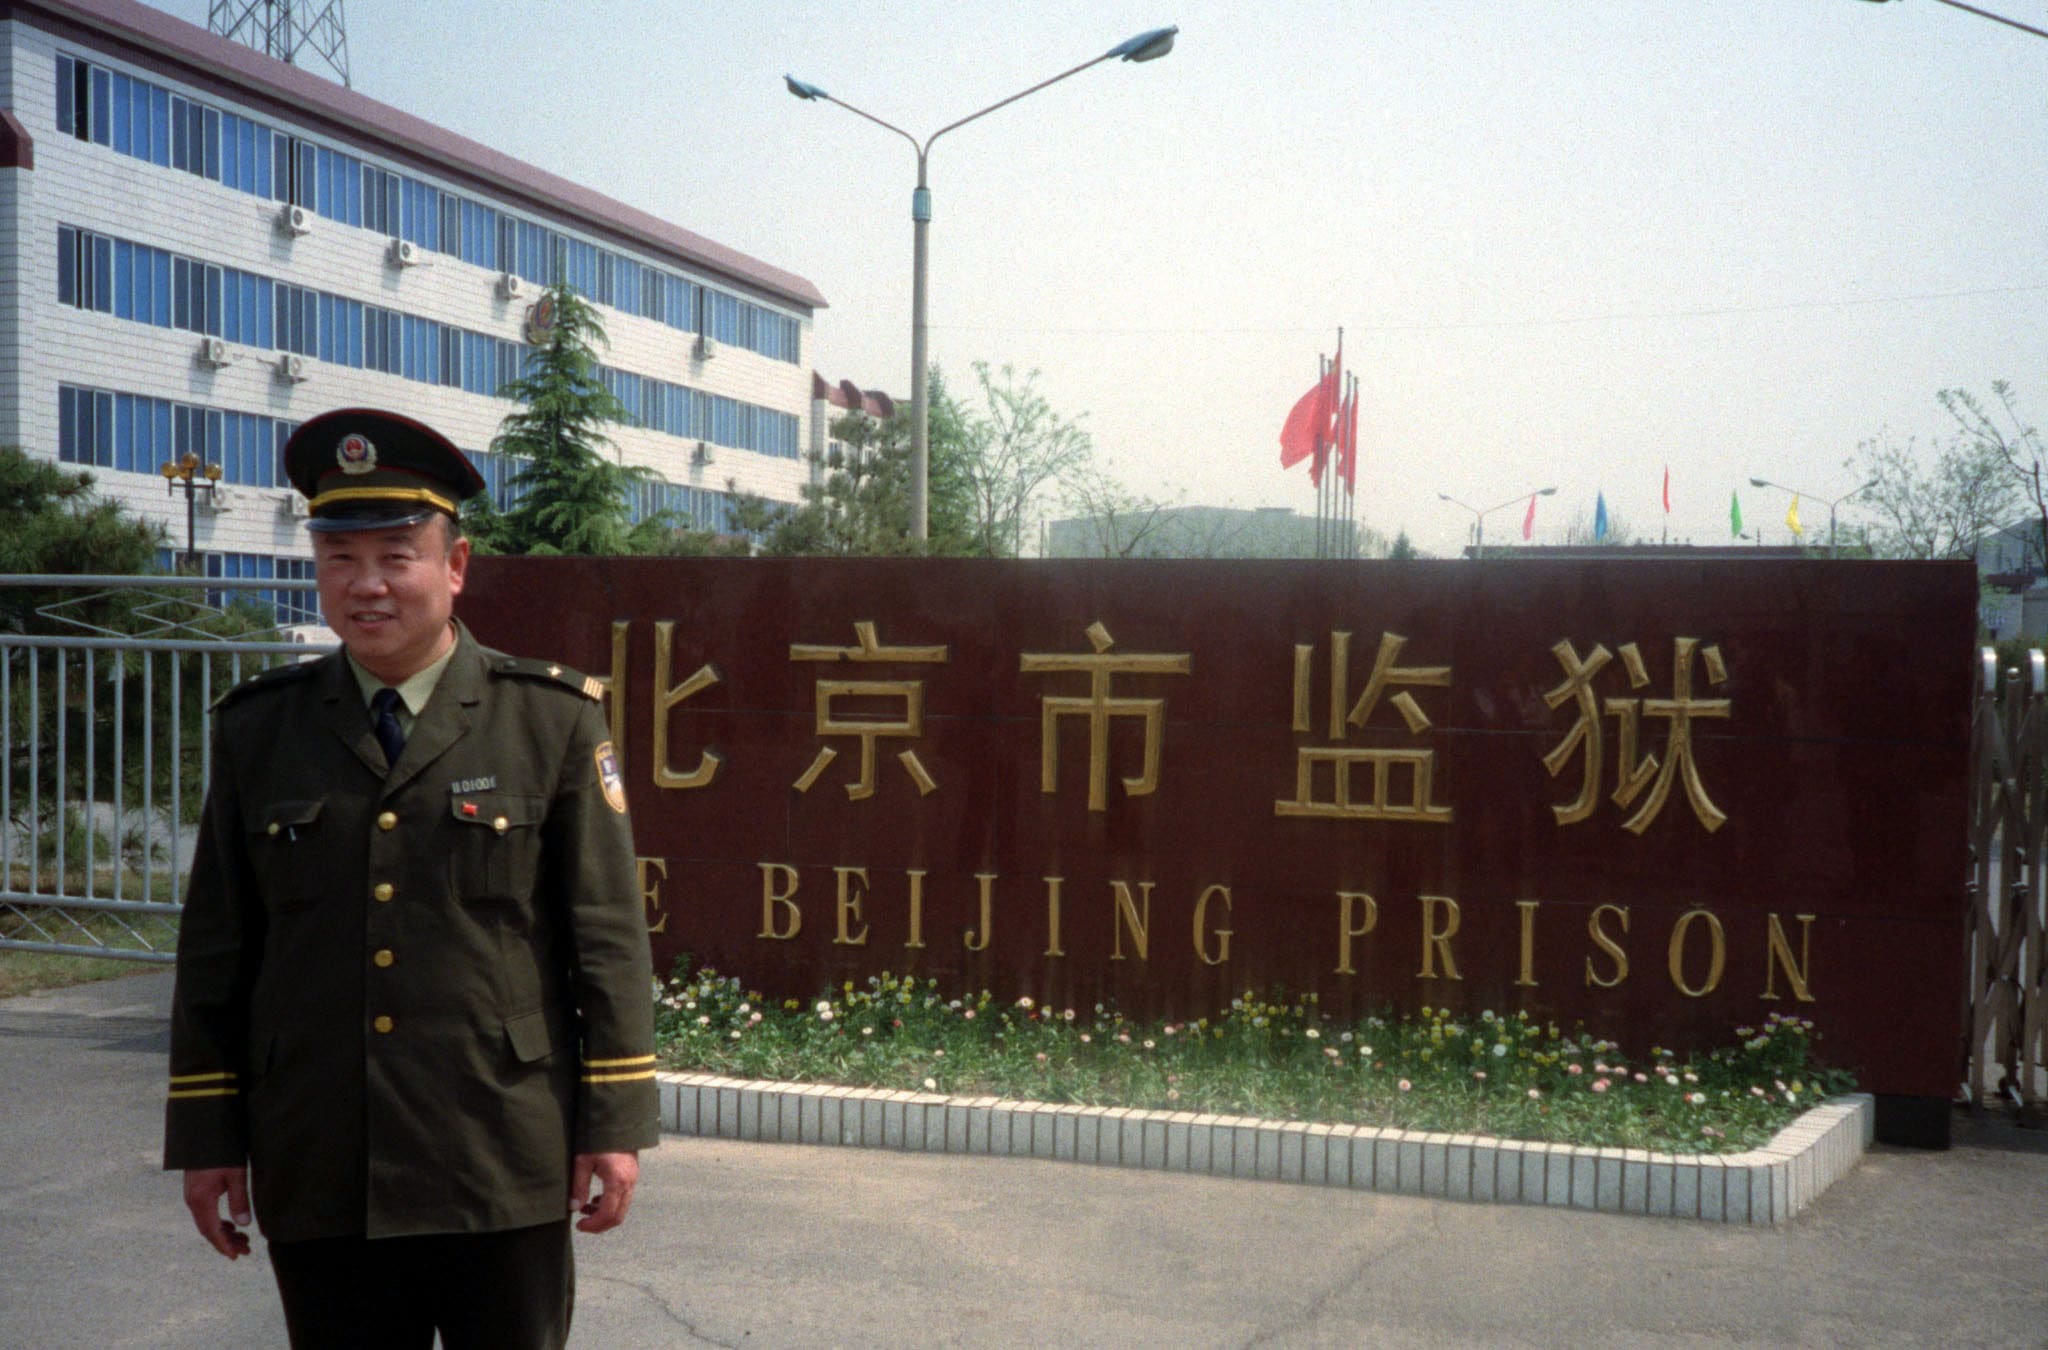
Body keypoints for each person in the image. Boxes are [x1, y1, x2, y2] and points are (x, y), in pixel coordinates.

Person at [164, 408, 658, 1349]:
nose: (368, 585)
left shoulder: (550, 720)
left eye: (397, 556)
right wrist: (208, 1138)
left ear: (455, 566)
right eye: (341, 557)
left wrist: (615, 1123)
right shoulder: (259, 730)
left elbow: (607, 936)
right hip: (320, 1155)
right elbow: (219, 948)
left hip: (498, 1151)